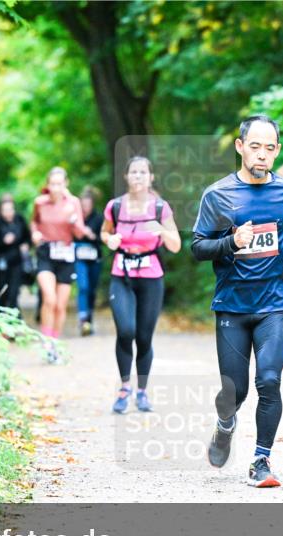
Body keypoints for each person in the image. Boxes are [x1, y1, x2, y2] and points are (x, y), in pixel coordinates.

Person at [191, 114, 283, 488]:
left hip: (275, 303)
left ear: (277, 152)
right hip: (232, 306)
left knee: (270, 381)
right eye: (255, 146)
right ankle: (225, 424)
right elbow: (197, 247)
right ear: (241, 147)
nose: (262, 155)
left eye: (269, 148)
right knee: (235, 392)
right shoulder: (218, 194)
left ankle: (261, 460)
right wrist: (231, 242)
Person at [101, 157, 181, 414]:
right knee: (126, 331)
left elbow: (176, 245)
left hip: (151, 277)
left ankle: (142, 391)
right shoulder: (115, 207)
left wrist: (162, 230)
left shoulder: (160, 208)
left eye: (142, 172)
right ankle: (125, 388)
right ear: (126, 177)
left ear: (150, 177)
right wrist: (110, 239)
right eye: (133, 172)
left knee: (144, 337)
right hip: (121, 274)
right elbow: (105, 232)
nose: (138, 176)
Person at [31, 167, 93, 362]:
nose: (55, 188)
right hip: (45, 253)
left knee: (60, 304)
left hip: (66, 255)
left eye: (59, 184)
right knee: (49, 298)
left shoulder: (73, 202)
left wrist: (73, 219)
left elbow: (80, 232)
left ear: (65, 184)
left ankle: (55, 344)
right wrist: (35, 233)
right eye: (52, 184)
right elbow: (34, 222)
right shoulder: (40, 203)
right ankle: (46, 341)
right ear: (47, 185)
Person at [0, 193, 31, 312]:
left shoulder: (20, 220)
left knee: (14, 292)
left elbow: (28, 237)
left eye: (10, 210)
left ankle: (14, 317)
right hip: (1, 262)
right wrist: (3, 241)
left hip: (17, 261)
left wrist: (25, 245)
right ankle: (2, 317)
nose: (8, 213)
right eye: (5, 210)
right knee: (3, 292)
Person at [75, 186, 105, 336]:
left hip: (95, 258)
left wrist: (93, 236)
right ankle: (82, 319)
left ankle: (89, 319)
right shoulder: (75, 218)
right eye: (83, 204)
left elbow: (105, 238)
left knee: (92, 290)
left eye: (88, 204)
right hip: (79, 257)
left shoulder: (99, 218)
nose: (85, 207)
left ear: (92, 204)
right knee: (83, 286)